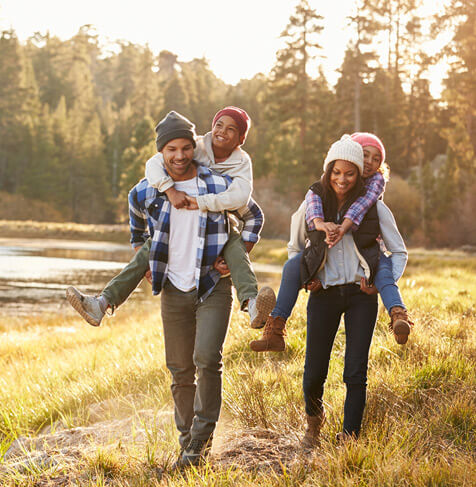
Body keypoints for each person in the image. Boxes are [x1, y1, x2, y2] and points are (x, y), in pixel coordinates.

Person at [108, 111, 245, 468]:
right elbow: (135, 215)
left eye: (186, 148)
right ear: (161, 153)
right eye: (172, 149)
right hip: (173, 288)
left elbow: (253, 213)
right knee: (180, 369)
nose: (180, 156)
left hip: (212, 284)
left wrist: (241, 250)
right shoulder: (148, 189)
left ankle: (200, 442)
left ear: (193, 149)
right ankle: (187, 443)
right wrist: (144, 254)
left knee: (207, 360)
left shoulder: (214, 184)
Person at [67, 107, 275, 330]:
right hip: (176, 224)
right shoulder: (193, 147)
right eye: (219, 125)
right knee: (151, 247)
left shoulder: (239, 165)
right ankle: (101, 304)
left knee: (234, 245)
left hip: (219, 225)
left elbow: (245, 201)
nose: (222, 131)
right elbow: (154, 164)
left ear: (241, 138)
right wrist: (169, 190)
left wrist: (236, 254)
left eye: (231, 129)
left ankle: (252, 304)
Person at [288, 135, 407, 446]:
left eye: (351, 172)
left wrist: (381, 282)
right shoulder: (313, 203)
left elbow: (399, 252)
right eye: (337, 172)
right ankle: (313, 427)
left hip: (360, 296)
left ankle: (350, 436)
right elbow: (294, 247)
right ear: (330, 171)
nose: (343, 178)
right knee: (314, 370)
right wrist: (305, 277)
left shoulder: (375, 209)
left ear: (359, 174)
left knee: (355, 371)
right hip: (323, 294)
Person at [249, 132, 413, 352]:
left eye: (377, 159)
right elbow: (297, 240)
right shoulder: (318, 193)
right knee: (291, 267)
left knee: (383, 271)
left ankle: (398, 315)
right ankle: (275, 327)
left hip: (368, 258)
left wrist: (343, 227)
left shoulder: (373, 193)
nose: (370, 163)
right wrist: (308, 274)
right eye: (365, 155)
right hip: (325, 279)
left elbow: (364, 210)